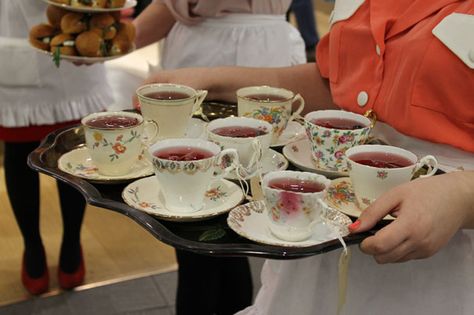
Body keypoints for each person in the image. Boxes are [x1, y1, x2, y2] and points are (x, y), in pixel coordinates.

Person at [138, 0, 474, 314]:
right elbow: (336, 87)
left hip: (450, 264)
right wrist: (211, 80)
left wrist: (462, 194)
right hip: (326, 242)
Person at [133, 1, 306, 314]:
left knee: (225, 222)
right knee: (194, 216)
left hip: (255, 58)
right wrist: (113, 40)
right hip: (205, 52)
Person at [0, 0, 114, 295]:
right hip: (13, 30)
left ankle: (71, 242)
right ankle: (32, 246)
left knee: (72, 151)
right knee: (19, 151)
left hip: (73, 30)